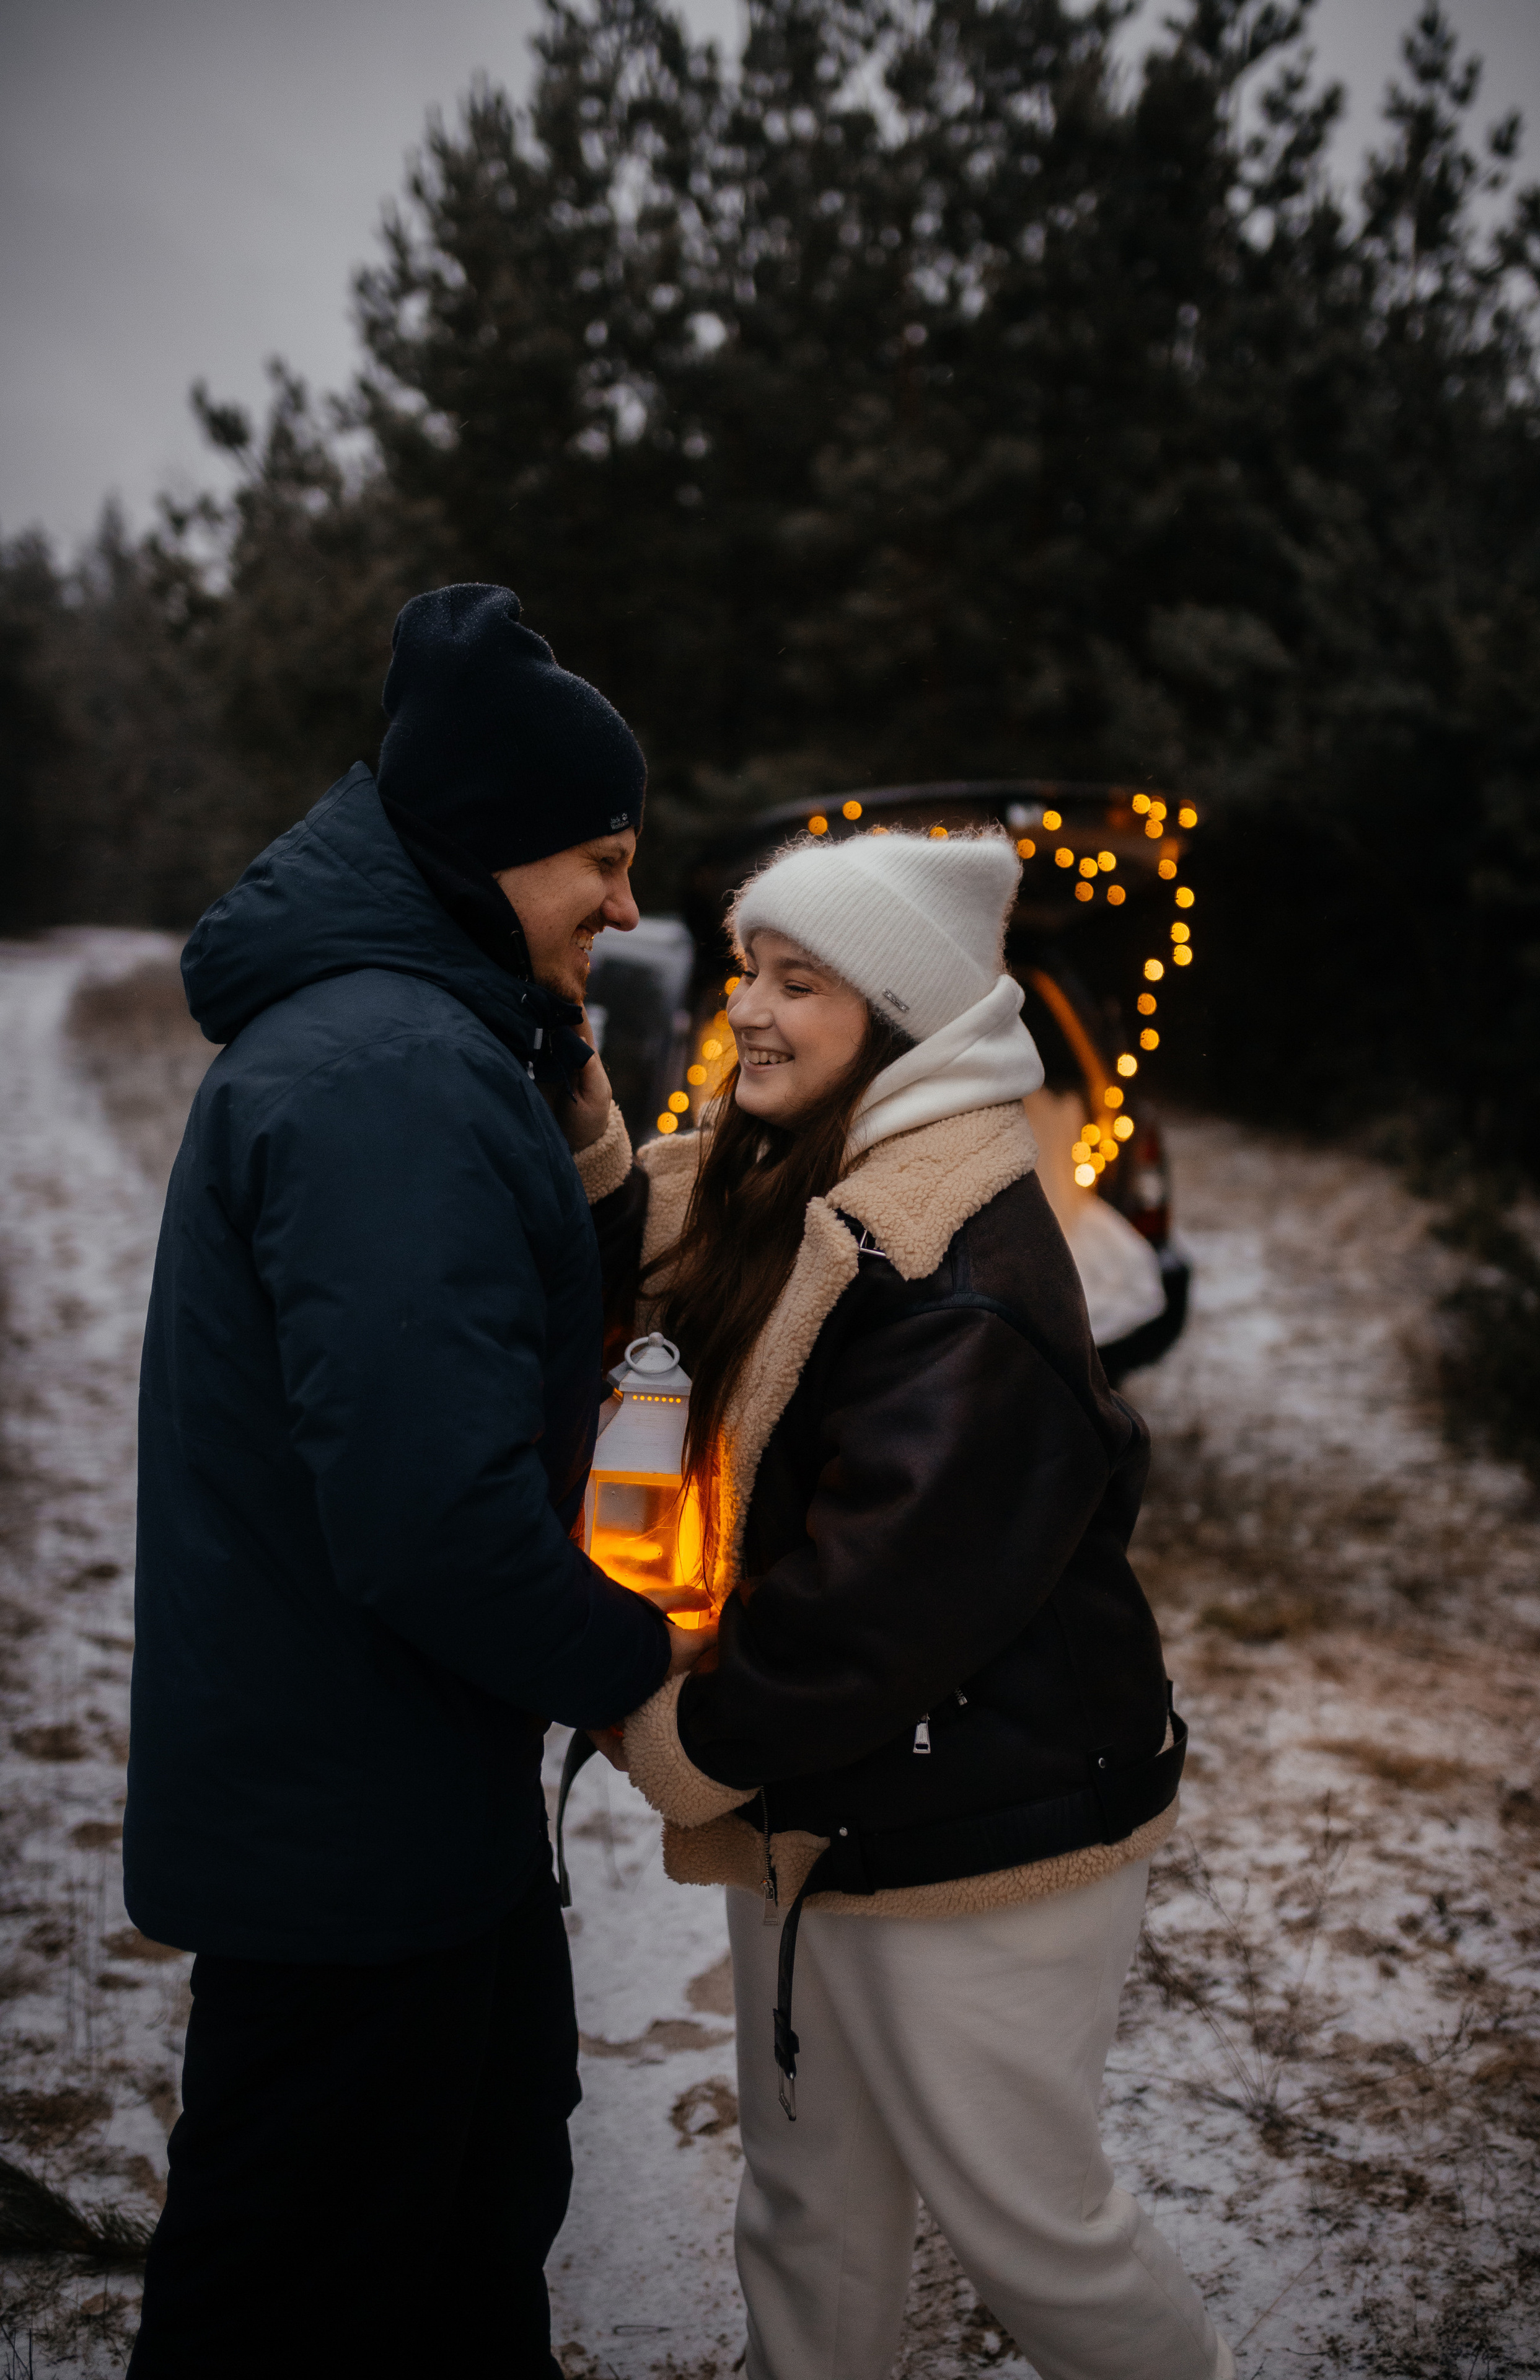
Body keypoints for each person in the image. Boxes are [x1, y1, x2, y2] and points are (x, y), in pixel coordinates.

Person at [125, 583, 706, 2378]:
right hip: (353, 1837)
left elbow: (486, 1325)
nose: (623, 907)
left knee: (450, 2249)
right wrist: (641, 1678)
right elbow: (427, 1518)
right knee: (301, 2292)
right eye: (599, 862)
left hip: (382, 1807)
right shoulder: (391, 1075)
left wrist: (590, 1138)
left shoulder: (432, 1040)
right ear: (490, 844)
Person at [578, 827, 1234, 2380]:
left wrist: (691, 1738)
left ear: (899, 1012)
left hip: (984, 1826)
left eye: (796, 981)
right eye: (748, 969)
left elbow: (878, 1600)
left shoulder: (961, 1262)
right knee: (807, 2210)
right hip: (824, 1807)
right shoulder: (793, 1174)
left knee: (1035, 2237)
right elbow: (648, 1237)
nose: (748, 1008)